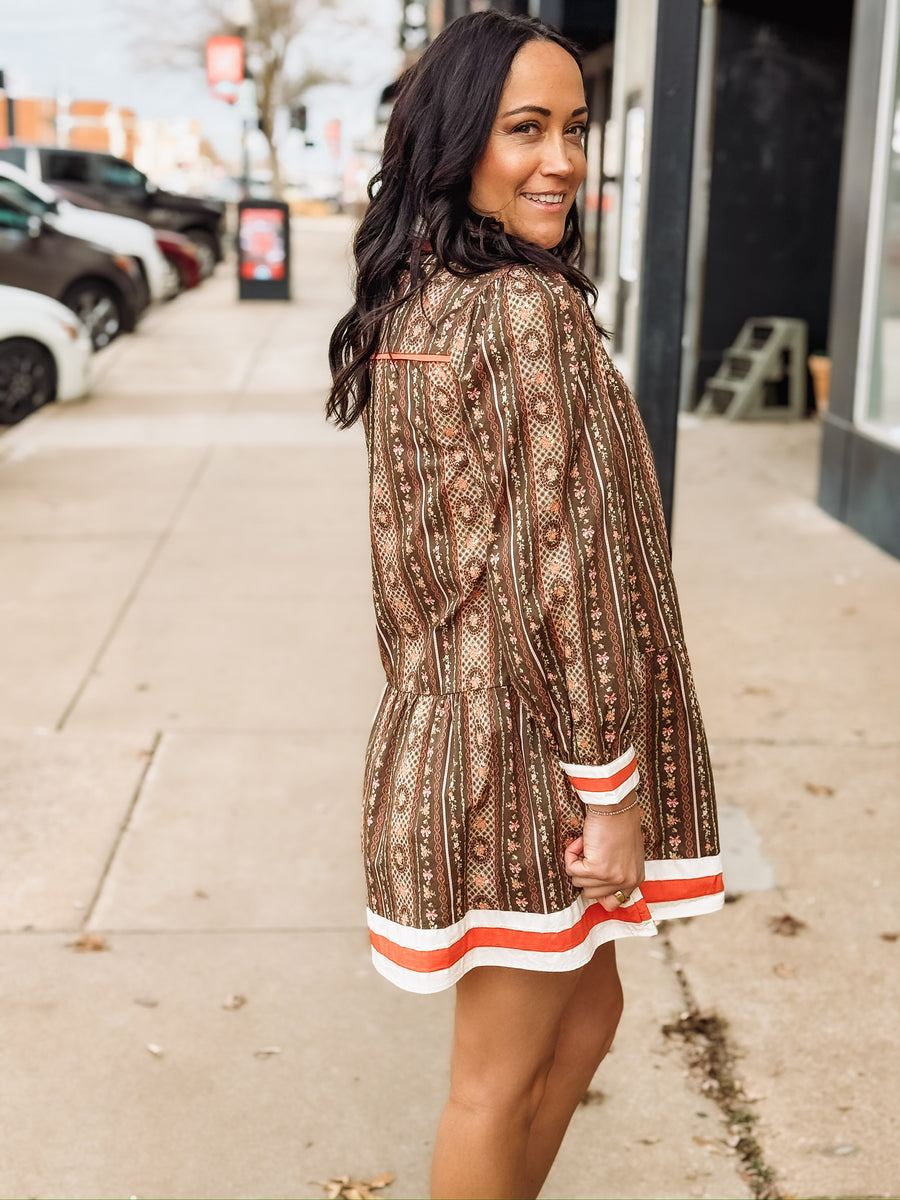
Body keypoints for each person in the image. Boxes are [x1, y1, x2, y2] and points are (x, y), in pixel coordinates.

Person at [327, 12, 724, 1199]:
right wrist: (611, 789)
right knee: (494, 1080)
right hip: (526, 755)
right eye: (525, 130)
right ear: (459, 145)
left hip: (450, 737)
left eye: (576, 129)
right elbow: (572, 575)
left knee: (587, 1011)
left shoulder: (421, 298)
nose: (560, 160)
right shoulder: (522, 311)